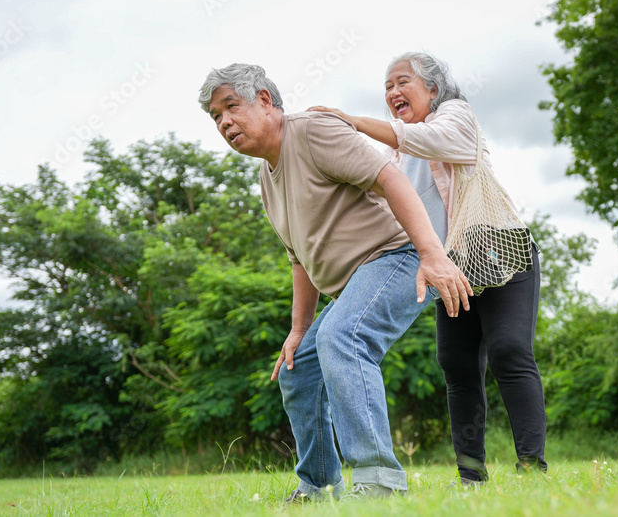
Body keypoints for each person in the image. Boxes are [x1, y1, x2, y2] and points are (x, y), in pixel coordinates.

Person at [198, 63, 472, 501]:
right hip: (355, 281)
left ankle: (379, 482)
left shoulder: (311, 131)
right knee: (299, 366)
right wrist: (299, 329)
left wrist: (431, 253)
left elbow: (390, 177)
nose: (224, 122)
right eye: (216, 117)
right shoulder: (266, 177)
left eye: (231, 107)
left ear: (266, 101)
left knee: (344, 337)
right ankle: (319, 486)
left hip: (396, 257)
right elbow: (299, 257)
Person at [308, 52, 547, 485]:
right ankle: (472, 475)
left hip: (500, 250)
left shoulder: (455, 116)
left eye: (403, 82)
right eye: (387, 87)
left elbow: (428, 140)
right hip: (452, 265)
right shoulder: (394, 156)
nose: (393, 93)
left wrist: (352, 121)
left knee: (509, 350)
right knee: (455, 363)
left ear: (432, 89)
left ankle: (532, 467)